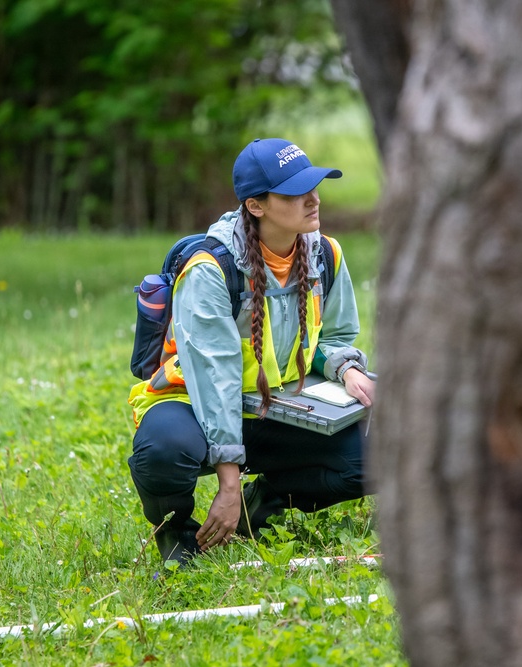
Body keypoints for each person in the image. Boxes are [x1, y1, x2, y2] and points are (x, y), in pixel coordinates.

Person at [128, 138, 376, 564]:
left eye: (314, 186)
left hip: (272, 407)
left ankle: (260, 506)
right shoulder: (210, 268)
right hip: (195, 404)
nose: (312, 199)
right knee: (162, 451)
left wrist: (346, 368)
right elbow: (215, 377)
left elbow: (331, 338)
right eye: (294, 192)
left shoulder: (326, 255)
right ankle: (178, 536)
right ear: (256, 206)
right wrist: (226, 482)